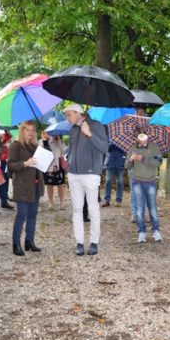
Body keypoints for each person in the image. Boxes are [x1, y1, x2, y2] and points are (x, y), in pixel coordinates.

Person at [64, 103, 108, 256]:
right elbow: (71, 149)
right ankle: (80, 243)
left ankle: (94, 242)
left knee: (93, 208)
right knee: (77, 210)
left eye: (69, 115)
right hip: (73, 174)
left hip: (91, 173)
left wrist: (89, 134)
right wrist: (67, 159)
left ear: (78, 113)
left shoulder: (96, 125)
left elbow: (104, 148)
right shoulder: (73, 129)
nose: (67, 118)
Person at [8, 121, 44, 256]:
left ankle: (29, 241)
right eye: (27, 130)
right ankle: (16, 244)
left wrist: (45, 143)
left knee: (33, 214)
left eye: (32, 130)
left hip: (36, 184)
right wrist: (25, 163)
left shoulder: (36, 146)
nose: (30, 132)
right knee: (21, 215)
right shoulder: (15, 145)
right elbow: (10, 165)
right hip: (22, 185)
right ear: (22, 131)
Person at [125, 133, 163, 243]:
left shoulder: (154, 147)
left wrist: (141, 158)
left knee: (152, 208)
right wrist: (130, 160)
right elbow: (127, 166)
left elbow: (158, 162)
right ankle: (141, 232)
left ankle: (156, 230)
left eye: (143, 135)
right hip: (136, 181)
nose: (141, 138)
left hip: (150, 181)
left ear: (147, 137)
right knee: (139, 208)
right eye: (138, 136)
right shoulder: (132, 148)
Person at [40, 131, 66, 209]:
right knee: (49, 185)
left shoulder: (59, 141)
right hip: (48, 166)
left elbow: (64, 150)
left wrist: (59, 140)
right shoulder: (43, 141)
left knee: (60, 185)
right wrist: (45, 141)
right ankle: (50, 202)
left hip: (58, 166)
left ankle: (62, 202)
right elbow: (40, 151)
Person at [0, 130, 14, 210]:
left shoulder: (10, 137)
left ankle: (5, 197)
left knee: (6, 179)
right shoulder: (2, 136)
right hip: (2, 161)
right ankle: (3, 201)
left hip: (7, 160)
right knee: (2, 181)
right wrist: (3, 144)